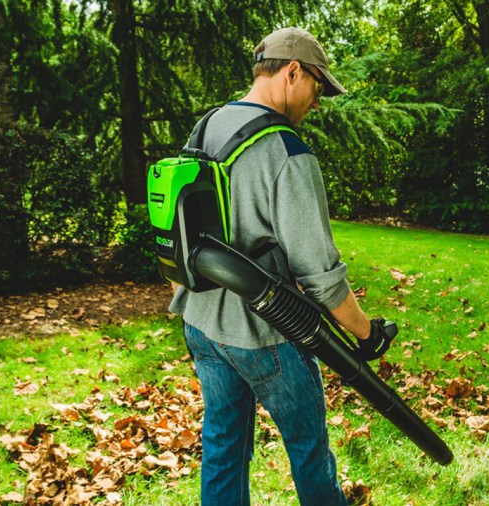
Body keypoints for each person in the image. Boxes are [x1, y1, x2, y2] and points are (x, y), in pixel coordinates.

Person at [168, 27, 390, 505]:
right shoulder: (287, 152)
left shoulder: (208, 125)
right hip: (264, 334)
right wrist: (368, 334)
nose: (318, 100)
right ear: (293, 73)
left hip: (201, 322)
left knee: (224, 448)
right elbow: (322, 279)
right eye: (318, 87)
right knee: (310, 450)